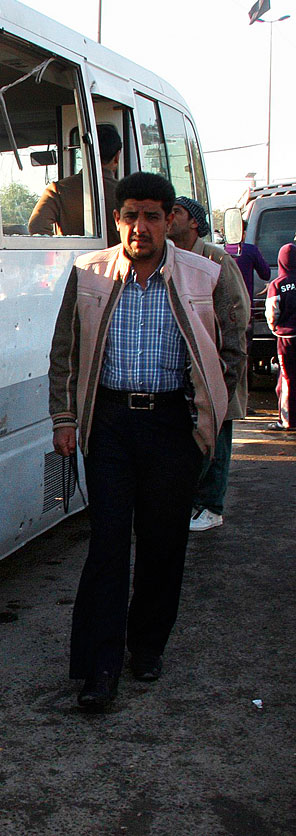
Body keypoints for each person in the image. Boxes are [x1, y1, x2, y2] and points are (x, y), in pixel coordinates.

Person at [49, 172, 241, 712]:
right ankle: (100, 668)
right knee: (108, 544)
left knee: (162, 544)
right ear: (117, 220)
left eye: (152, 216)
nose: (141, 227)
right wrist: (65, 420)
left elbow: (231, 348)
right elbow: (65, 349)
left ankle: (148, 647)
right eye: (131, 215)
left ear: (169, 220)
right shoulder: (89, 274)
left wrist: (211, 416)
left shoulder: (205, 275)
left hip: (172, 428)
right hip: (108, 425)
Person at [167, 196, 251, 532]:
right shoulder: (168, 257)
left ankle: (212, 506)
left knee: (218, 434)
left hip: (217, 362)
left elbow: (237, 314)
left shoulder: (216, 259)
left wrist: (224, 363)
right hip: (183, 369)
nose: (170, 217)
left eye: (178, 212)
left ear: (195, 223)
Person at [29, 122, 122, 245]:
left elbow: (37, 227)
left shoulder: (57, 190)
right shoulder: (128, 194)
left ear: (83, 153)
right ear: (117, 156)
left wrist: (63, 253)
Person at [265, 242, 296, 431]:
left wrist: (275, 328)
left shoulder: (277, 284)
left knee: (287, 379)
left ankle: (287, 421)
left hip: (287, 338)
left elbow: (272, 313)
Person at [224, 234, 270, 303]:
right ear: (244, 233)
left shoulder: (218, 251)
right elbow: (266, 274)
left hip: (223, 305)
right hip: (245, 304)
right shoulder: (250, 250)